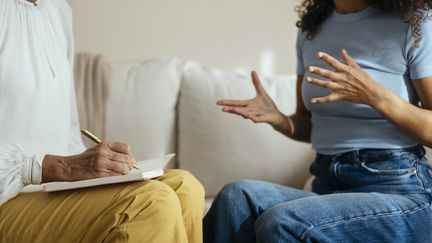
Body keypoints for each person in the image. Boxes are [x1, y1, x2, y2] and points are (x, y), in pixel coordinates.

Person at [204, 0, 432, 242]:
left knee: (283, 222)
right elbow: (308, 124)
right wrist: (280, 119)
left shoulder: (415, 22)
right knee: (235, 198)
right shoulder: (312, 28)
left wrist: (375, 95)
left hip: (399, 188)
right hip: (328, 184)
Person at [0, 0, 204, 242]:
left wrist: (94, 170)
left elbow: (69, 132)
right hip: (7, 199)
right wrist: (61, 167)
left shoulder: (58, 11)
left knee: (184, 186)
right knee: (150, 202)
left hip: (48, 189)